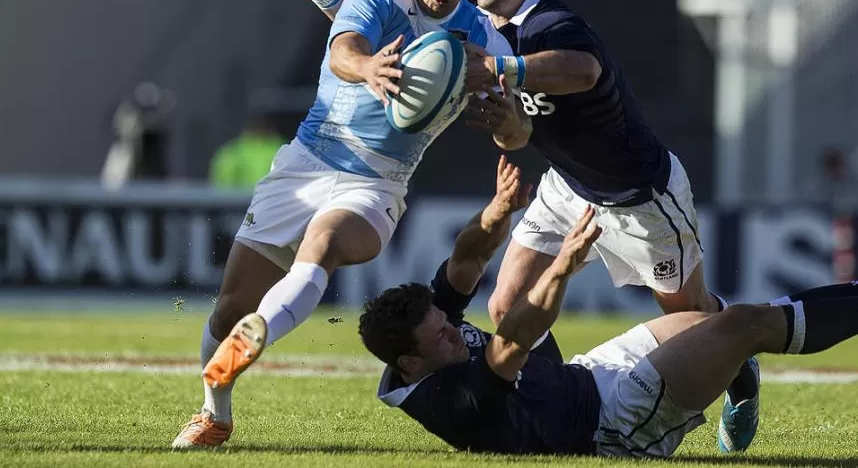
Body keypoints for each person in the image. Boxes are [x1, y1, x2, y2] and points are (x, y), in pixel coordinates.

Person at [275, 0, 759, 452]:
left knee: (692, 320)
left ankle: (740, 370)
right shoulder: (479, 27)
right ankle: (547, 387)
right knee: (505, 304)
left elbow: (584, 70)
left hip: (635, 191)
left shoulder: (551, 23)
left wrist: (508, 69)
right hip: (567, 185)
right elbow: (402, 39)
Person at [171, 0, 526, 449]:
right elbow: (343, 49)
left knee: (327, 240)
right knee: (229, 308)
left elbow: (519, 132)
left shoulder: (482, 36)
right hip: (307, 162)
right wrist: (369, 68)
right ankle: (214, 411)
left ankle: (260, 332)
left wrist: (507, 124)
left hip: (379, 182)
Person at [355, 161, 858, 458]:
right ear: (411, 366)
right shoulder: (447, 401)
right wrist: (562, 269)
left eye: (446, 323)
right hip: (609, 425)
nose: (452, 331)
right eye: (442, 336)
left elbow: (465, 261)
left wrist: (498, 210)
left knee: (719, 324)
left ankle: (733, 366)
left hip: (588, 376)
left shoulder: (423, 332)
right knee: (744, 324)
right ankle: (735, 356)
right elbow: (511, 343)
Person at [209, 115, 285, 192]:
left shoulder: (232, 151)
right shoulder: (281, 148)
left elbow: (222, 182)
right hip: (264, 199)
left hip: (246, 200)